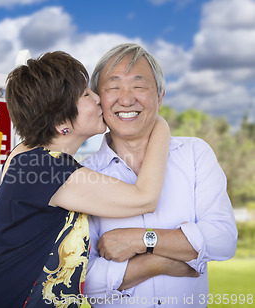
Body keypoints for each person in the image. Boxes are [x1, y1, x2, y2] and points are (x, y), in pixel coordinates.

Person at [0, 51, 170, 308]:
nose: (98, 99)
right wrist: (158, 123)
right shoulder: (46, 168)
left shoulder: (26, 155)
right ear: (61, 118)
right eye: (86, 94)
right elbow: (145, 198)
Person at [81, 43, 238, 307]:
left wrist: (141, 240)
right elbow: (84, 281)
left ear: (160, 97)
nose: (126, 98)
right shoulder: (84, 175)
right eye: (113, 87)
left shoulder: (195, 154)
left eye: (139, 86)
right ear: (98, 100)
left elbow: (223, 239)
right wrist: (158, 262)